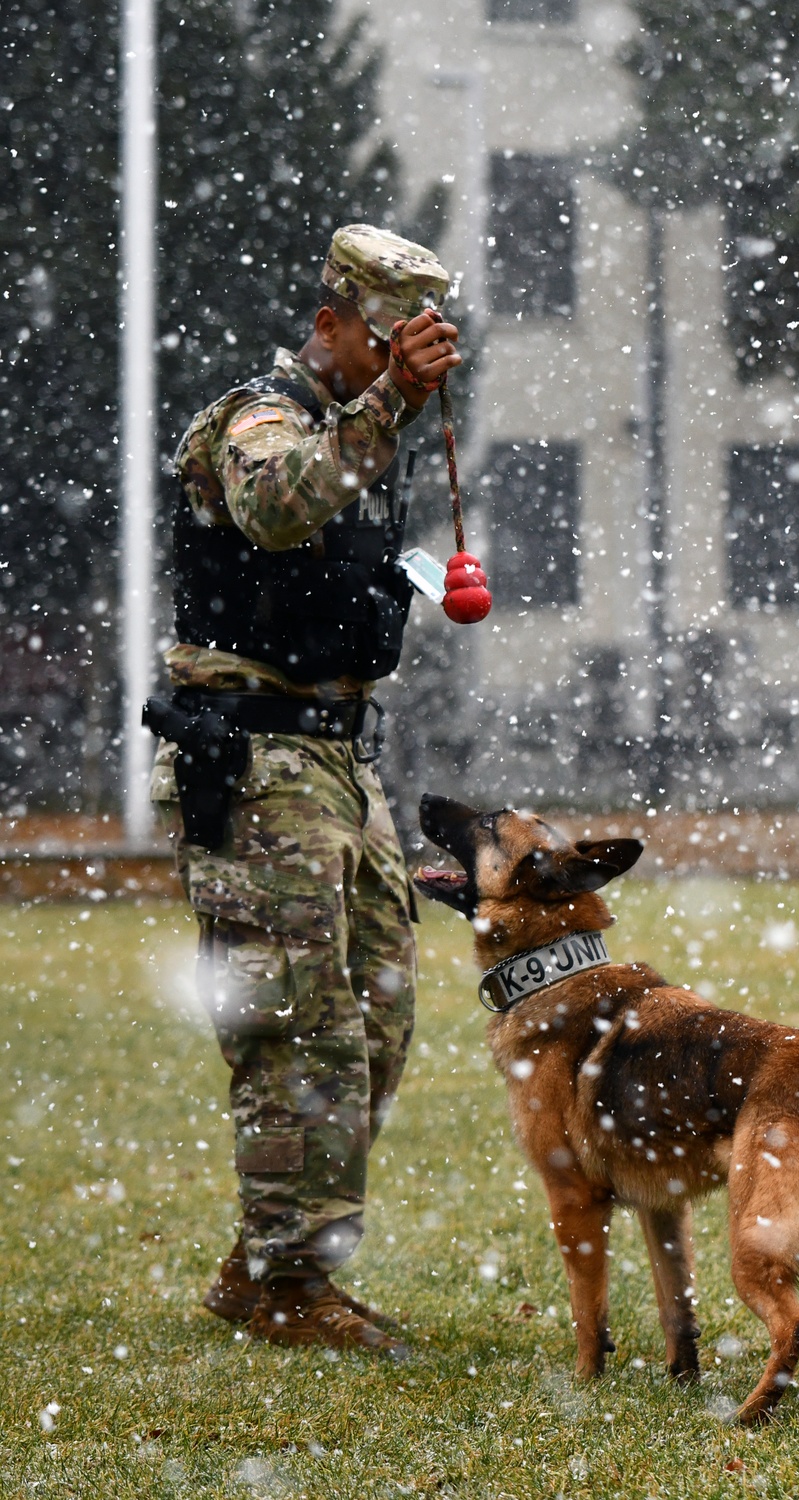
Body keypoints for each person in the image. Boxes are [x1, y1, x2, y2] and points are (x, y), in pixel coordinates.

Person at [149, 225, 460, 1358]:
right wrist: (385, 412)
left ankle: (272, 1259)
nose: (392, 371)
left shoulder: (355, 430)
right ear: (328, 321)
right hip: (255, 757)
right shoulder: (257, 420)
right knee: (295, 1025)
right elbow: (277, 506)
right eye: (379, 345)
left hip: (336, 758)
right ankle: (289, 1284)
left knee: (375, 1017)